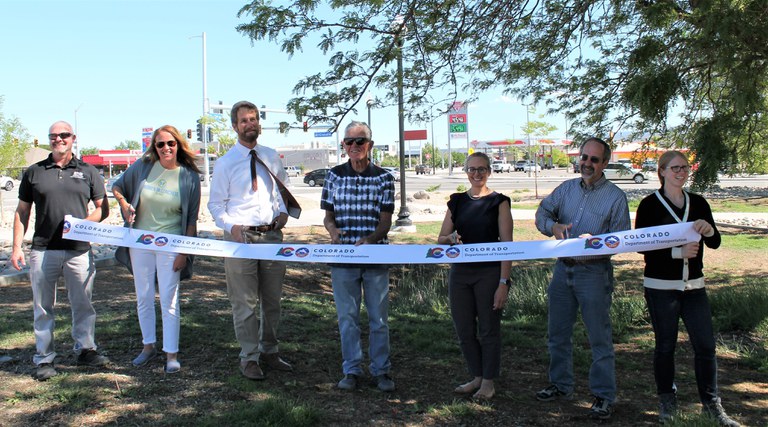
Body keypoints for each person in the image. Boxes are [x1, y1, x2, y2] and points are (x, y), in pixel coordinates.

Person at [635, 151, 739, 426]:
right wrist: (675, 252)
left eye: (685, 167)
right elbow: (641, 246)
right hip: (660, 286)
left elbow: (715, 243)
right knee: (665, 346)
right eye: (674, 168)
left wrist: (709, 231)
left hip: (694, 286)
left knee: (706, 346)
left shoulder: (699, 203)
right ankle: (667, 402)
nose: (681, 172)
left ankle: (712, 405)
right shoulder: (649, 205)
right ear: (662, 172)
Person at [534, 137, 631, 420]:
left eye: (594, 160)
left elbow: (622, 239)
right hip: (563, 270)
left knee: (599, 338)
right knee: (558, 333)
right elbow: (542, 212)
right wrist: (553, 226)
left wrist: (598, 242)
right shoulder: (565, 189)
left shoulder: (615, 197)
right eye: (584, 157)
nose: (587, 163)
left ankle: (603, 395)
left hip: (594, 273)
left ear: (605, 163)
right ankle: (560, 385)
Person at [10, 121, 110, 381]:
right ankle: (44, 358)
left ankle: (86, 350)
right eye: (53, 136)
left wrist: (81, 226)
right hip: (44, 249)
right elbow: (22, 211)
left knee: (83, 304)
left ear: (73, 138)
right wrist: (16, 247)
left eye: (63, 135)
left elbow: (103, 208)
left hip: (78, 250)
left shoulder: (89, 171)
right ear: (49, 140)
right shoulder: (34, 172)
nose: (58, 139)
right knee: (43, 306)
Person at [208, 101, 295, 380]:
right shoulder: (225, 163)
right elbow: (215, 205)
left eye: (254, 119)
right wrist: (232, 227)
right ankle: (249, 357)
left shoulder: (271, 156)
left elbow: (282, 191)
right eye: (244, 120)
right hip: (240, 240)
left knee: (272, 301)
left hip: (271, 237)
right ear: (235, 126)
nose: (250, 124)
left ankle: (270, 351)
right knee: (244, 303)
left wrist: (283, 213)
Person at [112, 125, 201, 374]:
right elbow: (117, 187)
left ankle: (171, 354)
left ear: (178, 145)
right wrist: (124, 204)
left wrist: (184, 251)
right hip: (140, 243)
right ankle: (148, 347)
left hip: (171, 245)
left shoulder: (189, 176)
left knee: (170, 300)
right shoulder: (143, 167)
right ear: (154, 147)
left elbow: (192, 220)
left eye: (170, 143)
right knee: (144, 296)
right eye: (160, 144)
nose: (165, 148)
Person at [321, 121, 396, 392]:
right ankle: (351, 369)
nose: (355, 146)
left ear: (370, 145)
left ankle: (381, 370)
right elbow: (328, 216)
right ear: (343, 145)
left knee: (378, 319)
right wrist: (332, 231)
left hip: (375, 257)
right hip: (342, 258)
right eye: (349, 142)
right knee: (347, 318)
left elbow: (386, 221)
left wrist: (371, 240)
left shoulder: (384, 178)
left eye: (360, 141)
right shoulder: (333, 176)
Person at [437, 152, 513, 400]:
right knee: (464, 329)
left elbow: (507, 246)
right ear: (466, 172)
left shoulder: (499, 202)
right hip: (460, 274)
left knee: (489, 329)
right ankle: (477, 376)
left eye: (482, 169)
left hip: (489, 274)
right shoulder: (456, 201)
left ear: (489, 171)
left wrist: (503, 283)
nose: (477, 174)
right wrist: (449, 239)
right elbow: (441, 238)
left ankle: (489, 382)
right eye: (472, 169)